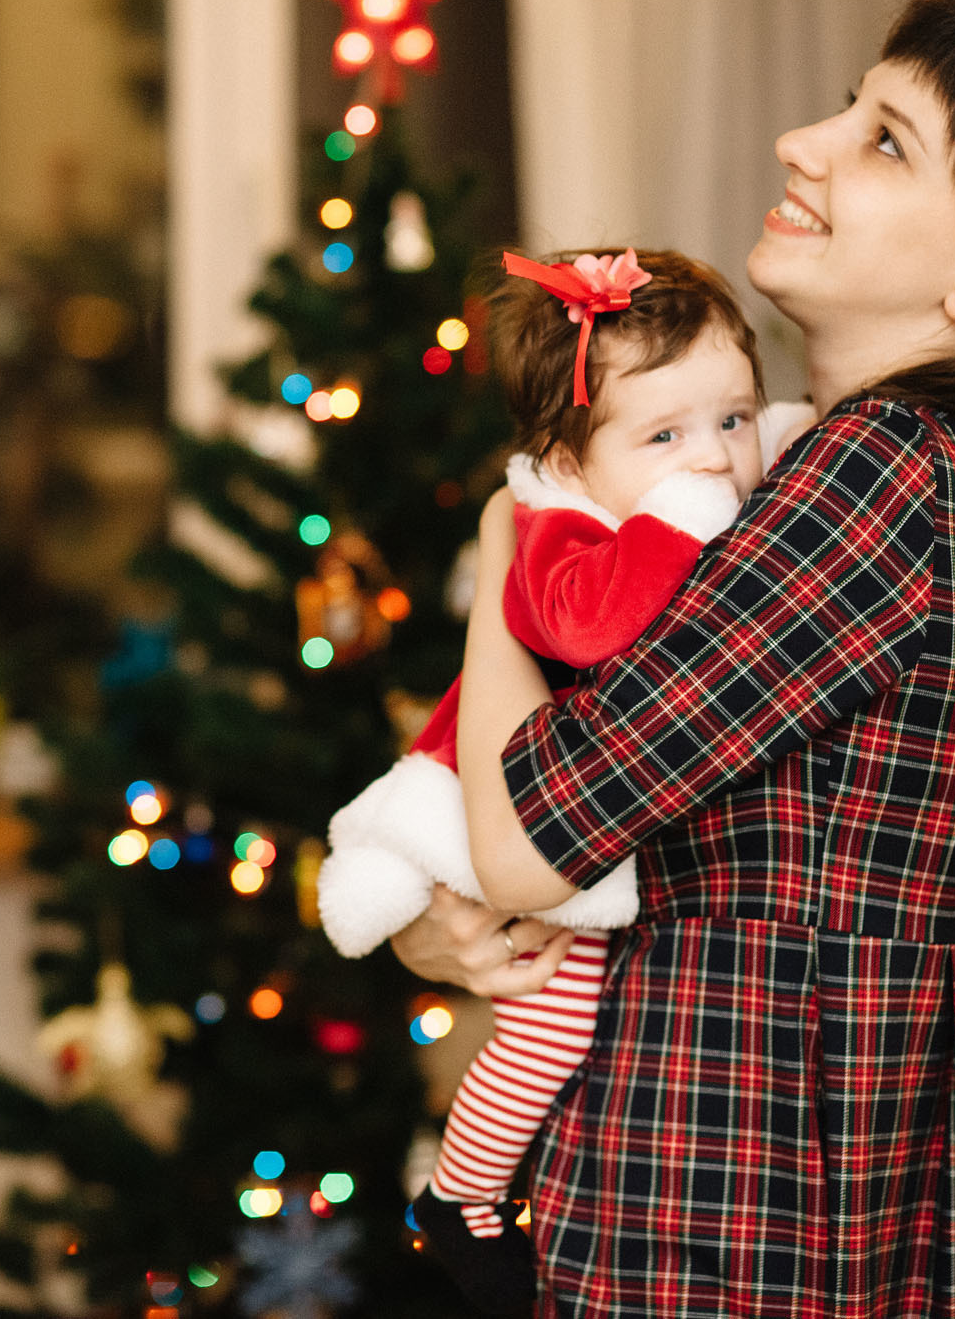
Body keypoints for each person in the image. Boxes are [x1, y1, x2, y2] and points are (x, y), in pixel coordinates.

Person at [390, 0, 955, 1315]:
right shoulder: (903, 479)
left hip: (730, 1217)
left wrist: (508, 531)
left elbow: (533, 835)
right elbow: (610, 847)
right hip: (835, 1198)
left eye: (883, 140)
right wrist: (458, 927)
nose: (800, 143)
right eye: (846, 106)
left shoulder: (883, 474)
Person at [315, 247, 809, 1312]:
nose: (711, 459)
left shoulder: (709, 481)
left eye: (733, 419)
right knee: (553, 1021)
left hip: (566, 811)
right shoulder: (564, 525)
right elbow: (582, 625)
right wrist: (671, 522)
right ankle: (463, 1193)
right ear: (571, 462)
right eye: (664, 436)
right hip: (491, 800)